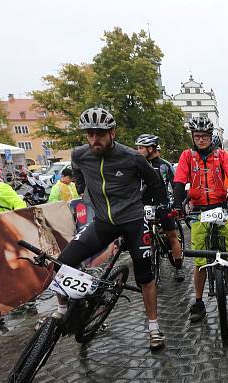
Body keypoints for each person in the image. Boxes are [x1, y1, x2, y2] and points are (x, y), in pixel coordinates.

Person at [57, 107, 169, 350]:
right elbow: (78, 174)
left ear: (112, 133)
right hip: (103, 222)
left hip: (133, 220)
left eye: (100, 134)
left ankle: (154, 328)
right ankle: (62, 311)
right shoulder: (79, 155)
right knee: (62, 262)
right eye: (90, 134)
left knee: (145, 276)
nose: (95, 139)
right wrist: (83, 189)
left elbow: (155, 183)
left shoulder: (132, 157)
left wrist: (148, 206)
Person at [173, 117, 228, 323]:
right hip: (199, 211)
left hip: (221, 208)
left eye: (205, 136)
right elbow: (180, 182)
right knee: (199, 261)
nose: (201, 140)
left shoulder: (221, 155)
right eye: (197, 136)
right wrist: (176, 206)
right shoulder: (186, 157)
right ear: (193, 137)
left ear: (210, 137)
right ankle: (198, 302)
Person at [135, 133, 184, 282]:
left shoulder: (164, 165)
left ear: (151, 148)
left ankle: (178, 267)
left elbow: (175, 186)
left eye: (141, 148)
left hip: (163, 205)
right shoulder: (137, 164)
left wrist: (177, 205)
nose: (138, 151)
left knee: (172, 237)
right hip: (144, 206)